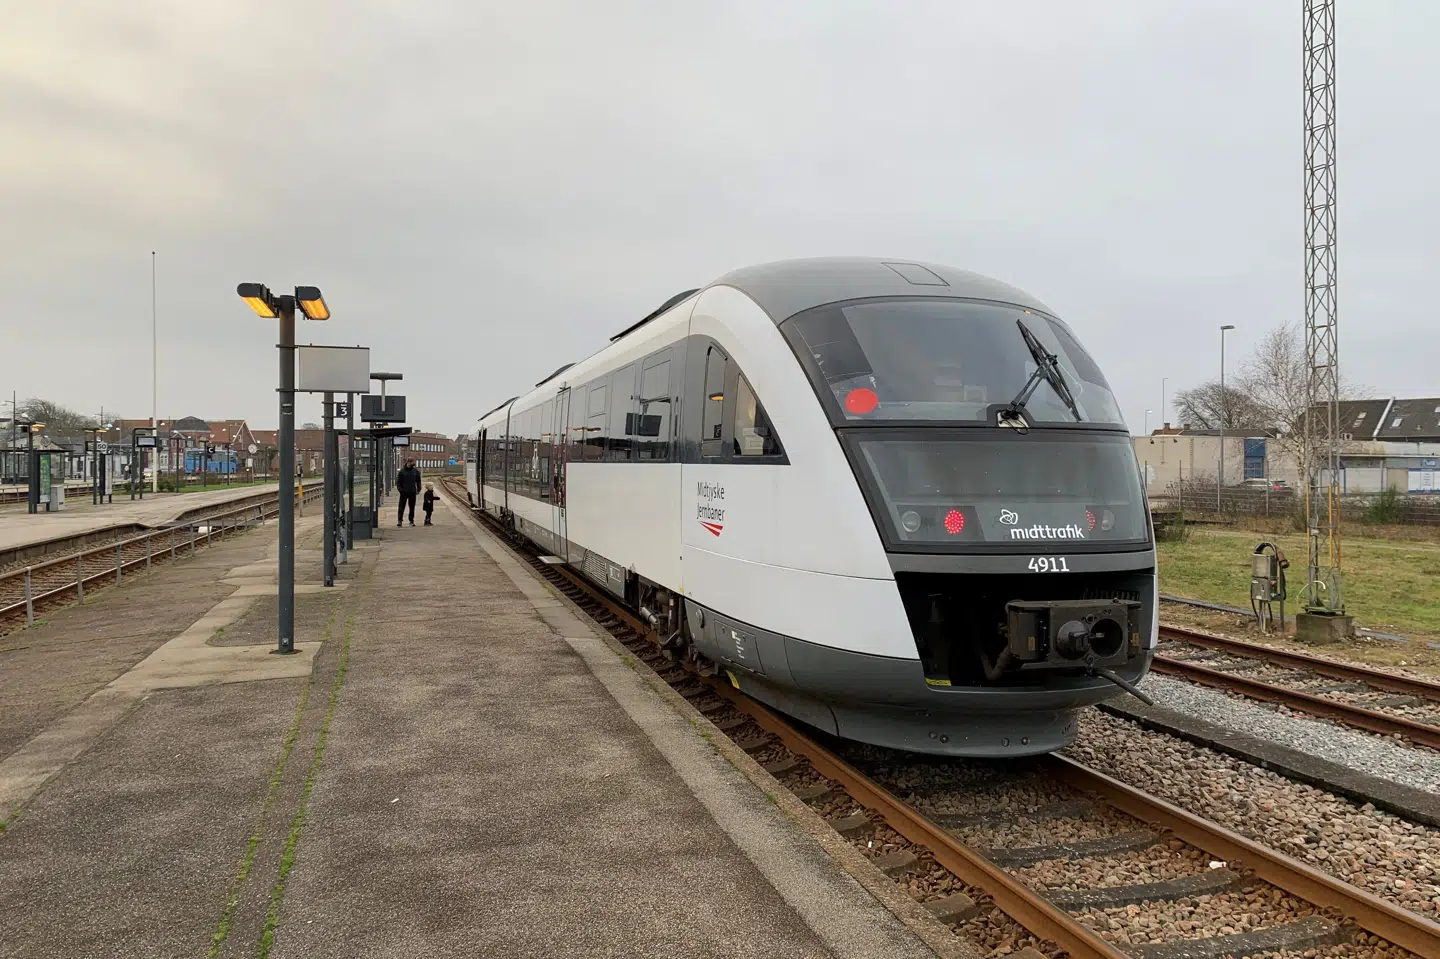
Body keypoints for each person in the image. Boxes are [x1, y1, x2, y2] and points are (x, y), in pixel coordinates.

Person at [396, 459, 422, 527]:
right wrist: (401, 490)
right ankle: (400, 521)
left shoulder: (415, 471)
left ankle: (411, 521)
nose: (413, 463)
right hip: (404, 492)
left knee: (412, 507)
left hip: (412, 492)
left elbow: (418, 481)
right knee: (401, 507)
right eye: (412, 462)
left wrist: (419, 489)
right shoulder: (402, 471)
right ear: (408, 462)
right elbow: (398, 482)